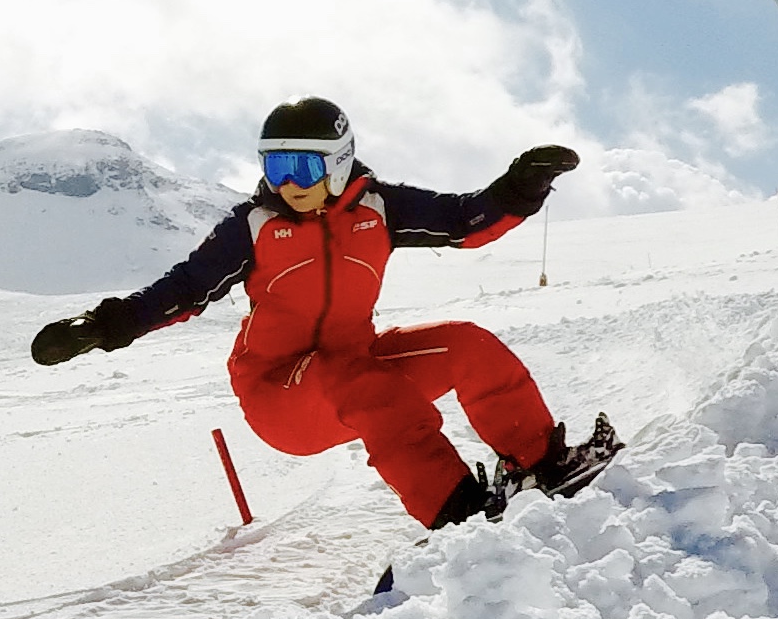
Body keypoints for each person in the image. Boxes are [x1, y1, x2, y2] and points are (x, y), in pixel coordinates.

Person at [31, 97, 615, 531]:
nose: (287, 183)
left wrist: (519, 188)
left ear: (338, 164)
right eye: (274, 166)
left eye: (303, 168)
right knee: (359, 381)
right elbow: (186, 288)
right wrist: (106, 327)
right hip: (280, 396)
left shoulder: (379, 207)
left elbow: (466, 223)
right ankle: (458, 517)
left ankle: (542, 465)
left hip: (354, 367)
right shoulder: (254, 227)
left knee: (467, 344)